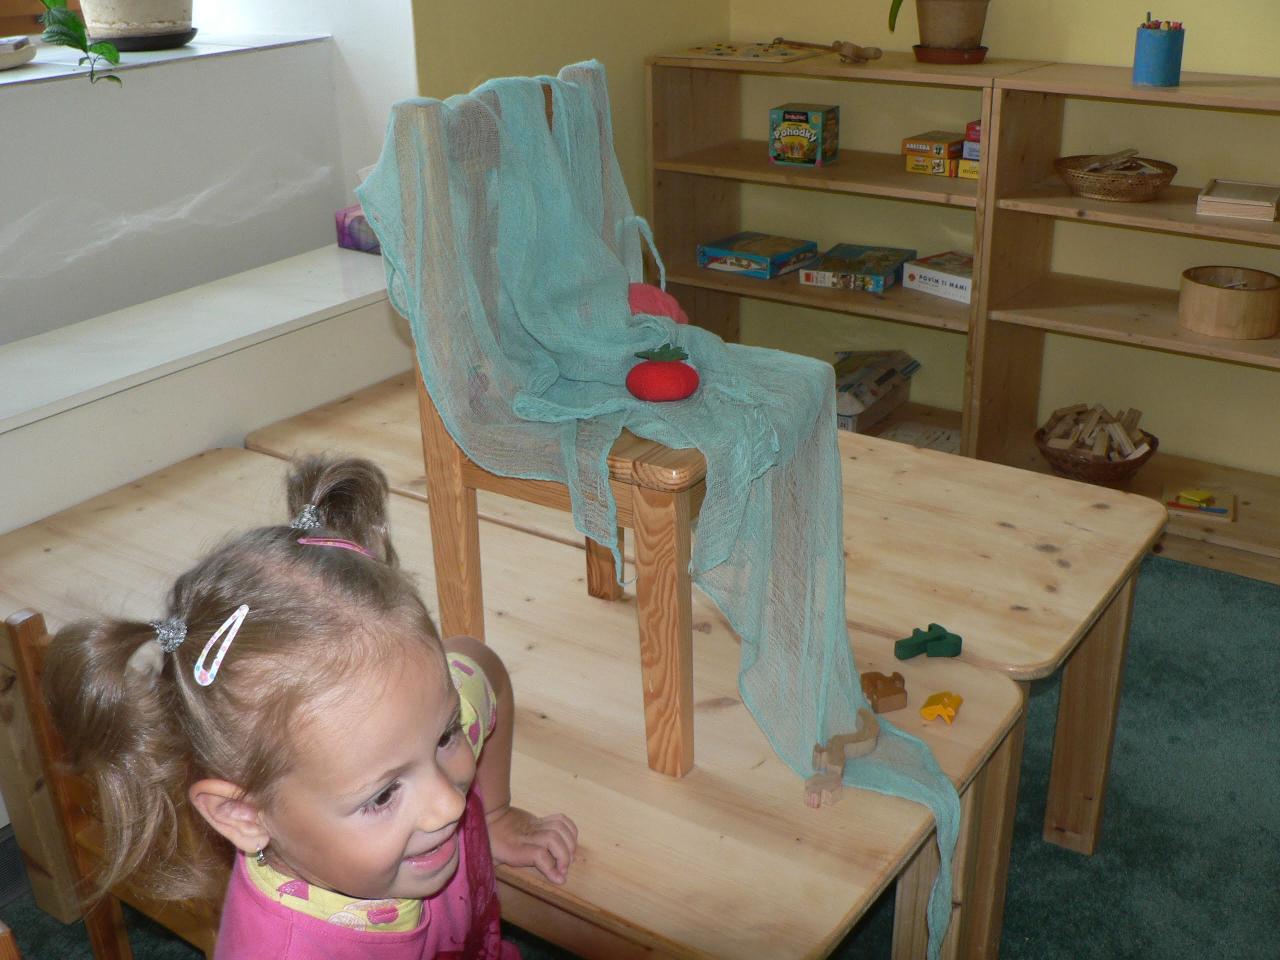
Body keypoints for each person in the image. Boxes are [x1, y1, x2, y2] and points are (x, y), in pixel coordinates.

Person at [43, 456, 577, 959]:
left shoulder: (404, 731)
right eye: (382, 796)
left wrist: (497, 814)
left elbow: (482, 667)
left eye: (446, 735)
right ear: (245, 815)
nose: (449, 805)